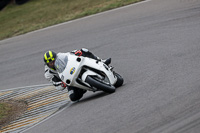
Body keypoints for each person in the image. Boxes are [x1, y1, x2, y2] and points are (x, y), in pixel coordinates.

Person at [43, 48, 111, 102]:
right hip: (69, 81)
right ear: (47, 64)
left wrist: (77, 52)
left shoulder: (60, 56)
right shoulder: (48, 73)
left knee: (84, 50)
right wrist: (62, 84)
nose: (52, 64)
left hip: (73, 69)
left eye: (53, 61)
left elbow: (69, 55)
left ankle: (102, 61)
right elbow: (55, 83)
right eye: (50, 63)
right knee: (73, 97)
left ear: (56, 58)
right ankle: (81, 88)